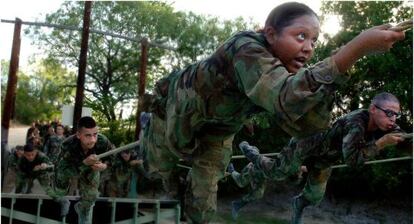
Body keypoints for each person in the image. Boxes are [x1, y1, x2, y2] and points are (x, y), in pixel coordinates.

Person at [140, 2, 406, 222]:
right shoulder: (245, 47)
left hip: (219, 129)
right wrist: (355, 48)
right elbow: (284, 97)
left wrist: (340, 65)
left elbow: (306, 122)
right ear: (270, 34)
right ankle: (153, 135)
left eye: (314, 40)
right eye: (301, 36)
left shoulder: (286, 69)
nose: (309, 47)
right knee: (160, 165)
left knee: (204, 198)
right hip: (176, 112)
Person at [238, 92, 411, 224]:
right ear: (373, 109)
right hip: (306, 146)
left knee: (314, 196)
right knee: (279, 172)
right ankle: (250, 151)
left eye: (396, 114)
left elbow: (404, 139)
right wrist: (380, 144)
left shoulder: (387, 125)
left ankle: (298, 204)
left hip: (325, 159)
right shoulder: (355, 123)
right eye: (389, 113)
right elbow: (352, 161)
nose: (393, 118)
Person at [55, 116, 115, 224]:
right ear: (78, 135)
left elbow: (113, 157)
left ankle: (82, 208)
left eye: (95, 134)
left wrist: (105, 165)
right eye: (88, 135)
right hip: (71, 167)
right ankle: (63, 201)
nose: (93, 139)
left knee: (92, 195)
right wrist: (84, 164)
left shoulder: (102, 140)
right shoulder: (67, 145)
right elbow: (63, 170)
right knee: (59, 189)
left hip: (92, 168)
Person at [227, 162, 307, 219]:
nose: (301, 174)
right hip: (256, 166)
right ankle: (231, 170)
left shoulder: (289, 172)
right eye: (301, 175)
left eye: (301, 175)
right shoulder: (287, 170)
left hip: (261, 175)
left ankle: (237, 204)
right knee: (241, 182)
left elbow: (303, 168)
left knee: (258, 194)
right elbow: (302, 168)